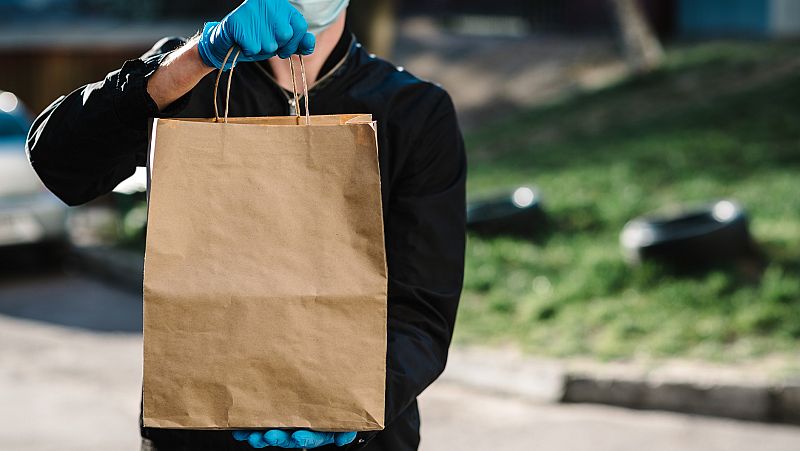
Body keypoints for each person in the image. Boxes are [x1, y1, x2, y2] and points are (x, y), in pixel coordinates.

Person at [26, 0, 466, 450]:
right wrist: (198, 57)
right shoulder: (189, 79)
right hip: (197, 431)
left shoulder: (414, 110)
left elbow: (422, 311)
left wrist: (351, 407)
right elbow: (60, 164)